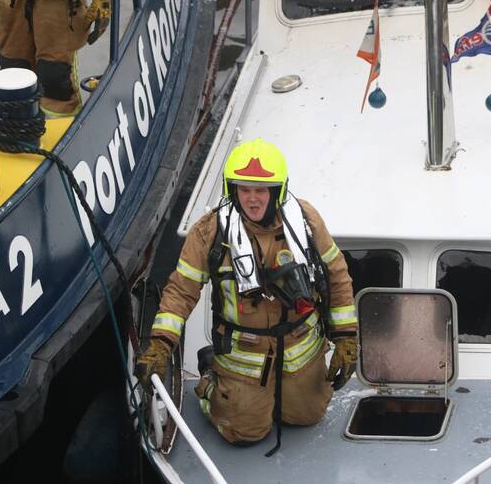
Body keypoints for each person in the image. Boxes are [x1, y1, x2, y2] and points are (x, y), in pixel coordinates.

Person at [137, 138, 359, 453]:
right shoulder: (209, 231)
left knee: (309, 416)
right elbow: (181, 291)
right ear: (232, 190)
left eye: (261, 190)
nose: (252, 199)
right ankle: (209, 381)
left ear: (278, 191)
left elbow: (336, 275)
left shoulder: (306, 221)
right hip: (244, 358)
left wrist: (347, 338)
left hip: (302, 353)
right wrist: (159, 345)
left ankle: (286, 394)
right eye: (244, 189)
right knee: (243, 433)